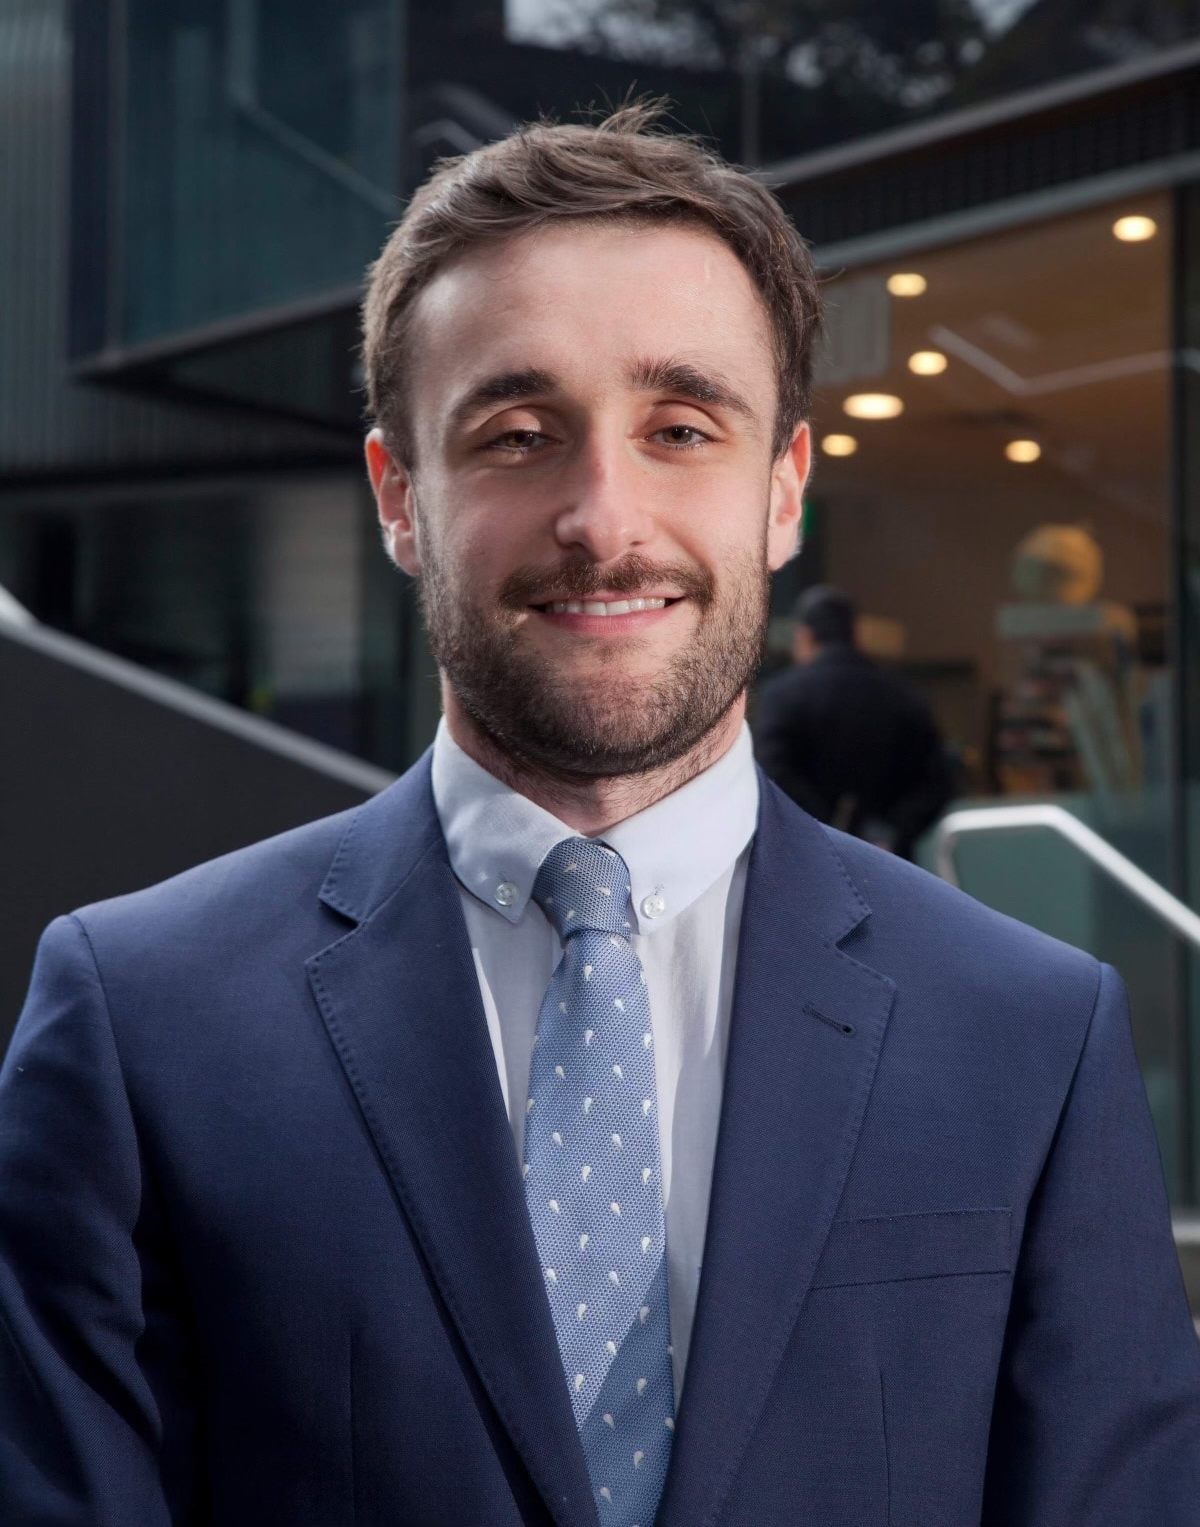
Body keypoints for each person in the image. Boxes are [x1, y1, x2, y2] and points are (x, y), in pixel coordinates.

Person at [1, 104, 1197, 1526]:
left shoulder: (1028, 1035)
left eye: (681, 427)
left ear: (784, 489)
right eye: (517, 435)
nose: (605, 517)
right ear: (400, 496)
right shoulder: (141, 1019)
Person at [754, 584, 955, 858]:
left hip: (808, 858)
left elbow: (772, 775)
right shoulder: (902, 696)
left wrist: (824, 825)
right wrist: (891, 830)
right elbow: (937, 781)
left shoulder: (784, 696)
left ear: (804, 636)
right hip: (888, 862)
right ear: (856, 636)